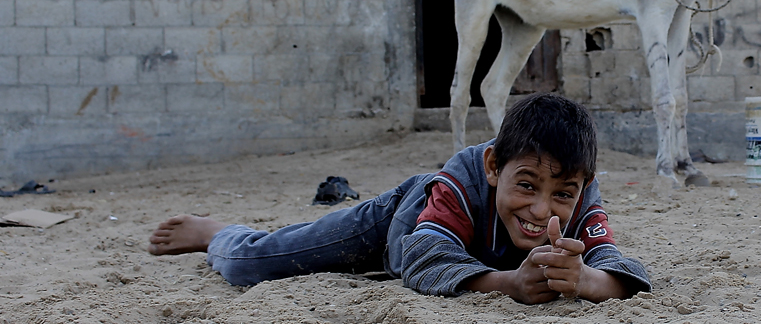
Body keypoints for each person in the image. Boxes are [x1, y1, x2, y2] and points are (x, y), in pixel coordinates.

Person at [148, 93, 650, 303]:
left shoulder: (579, 192)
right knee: (253, 265)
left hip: (464, 251)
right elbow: (423, 261)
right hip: (400, 220)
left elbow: (626, 271)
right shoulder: (459, 184)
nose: (542, 209)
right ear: (495, 166)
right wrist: (508, 284)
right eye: (526, 186)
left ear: (582, 185)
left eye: (562, 194)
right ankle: (217, 233)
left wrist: (587, 279)